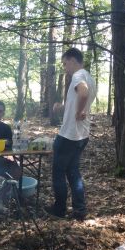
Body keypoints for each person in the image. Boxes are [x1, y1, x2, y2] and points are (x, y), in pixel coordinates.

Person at [46, 47, 96, 221]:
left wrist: (79, 111)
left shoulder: (78, 76)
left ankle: (59, 209)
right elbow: (80, 97)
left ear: (73, 60)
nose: (65, 67)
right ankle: (79, 210)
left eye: (65, 63)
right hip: (82, 135)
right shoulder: (89, 77)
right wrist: (63, 107)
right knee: (73, 172)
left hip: (69, 135)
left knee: (58, 172)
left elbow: (83, 93)